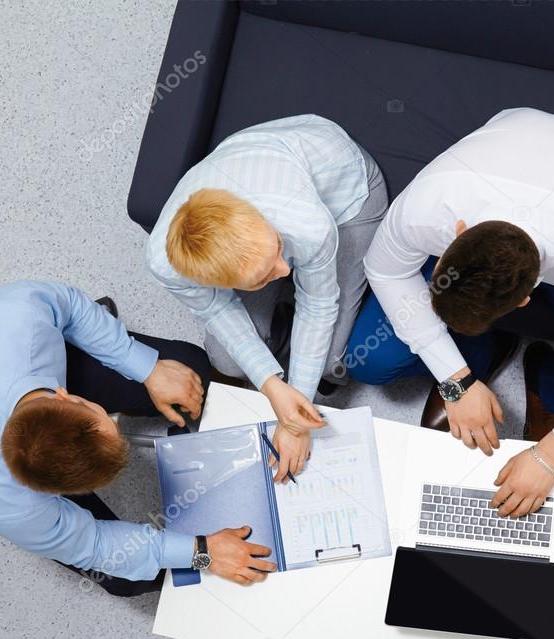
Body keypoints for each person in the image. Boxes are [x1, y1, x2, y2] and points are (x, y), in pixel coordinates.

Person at [346, 108, 554, 517]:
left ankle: (544, 374)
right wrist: (455, 381)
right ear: (455, 234)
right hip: (510, 138)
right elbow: (384, 269)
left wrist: (549, 456)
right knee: (369, 362)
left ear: (523, 303)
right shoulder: (431, 204)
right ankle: (477, 358)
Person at [0, 281, 276, 596]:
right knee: (123, 579)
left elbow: (68, 304)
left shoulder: (18, 315)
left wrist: (145, 368)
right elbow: (97, 544)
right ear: (50, 492)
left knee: (190, 368)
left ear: (67, 396)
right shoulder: (13, 508)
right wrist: (202, 551)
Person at [146, 114, 388, 483]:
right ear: (218, 280)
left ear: (262, 219)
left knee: (329, 365)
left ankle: (286, 309)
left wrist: (294, 424)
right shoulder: (165, 263)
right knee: (227, 362)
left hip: (348, 197)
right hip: (268, 192)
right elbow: (218, 308)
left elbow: (318, 303)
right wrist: (272, 386)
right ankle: (276, 318)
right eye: (264, 275)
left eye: (277, 249)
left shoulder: (306, 224)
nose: (285, 270)